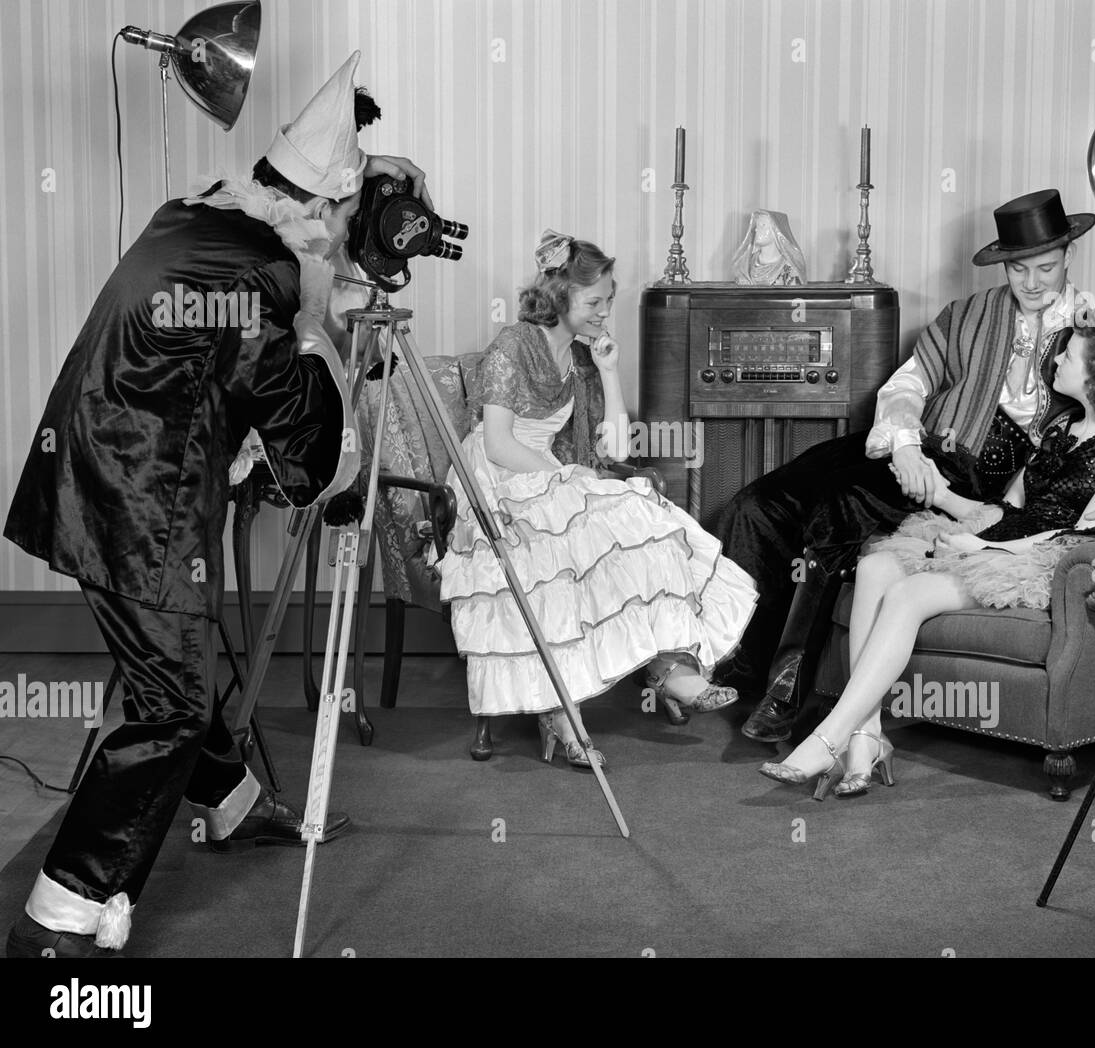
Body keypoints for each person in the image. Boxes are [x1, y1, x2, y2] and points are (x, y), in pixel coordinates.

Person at [3, 50, 429, 957]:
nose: (355, 239)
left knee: (187, 653)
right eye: (354, 219)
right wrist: (322, 341)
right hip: (133, 500)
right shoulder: (264, 279)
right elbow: (303, 452)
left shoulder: (199, 214)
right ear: (320, 209)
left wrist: (313, 308)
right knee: (172, 703)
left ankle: (229, 807)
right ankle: (59, 916)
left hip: (99, 470)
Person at [719, 189, 1095, 743]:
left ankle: (790, 688)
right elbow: (909, 383)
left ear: (1069, 256)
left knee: (838, 515)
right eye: (1019, 269)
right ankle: (732, 666)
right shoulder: (967, 314)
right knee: (760, 502)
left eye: (1046, 267)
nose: (1032, 282)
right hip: (914, 445)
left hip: (981, 475)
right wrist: (904, 444)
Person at [758, 319, 1095, 796]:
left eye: (1072, 354)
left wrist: (986, 548)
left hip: (1041, 559)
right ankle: (867, 737)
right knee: (875, 565)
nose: (1060, 359)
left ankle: (830, 737)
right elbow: (1007, 508)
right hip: (999, 538)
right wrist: (941, 499)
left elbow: (1086, 534)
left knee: (906, 594)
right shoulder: (1061, 427)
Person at [433, 230, 758, 766]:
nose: (605, 312)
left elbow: (612, 447)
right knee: (560, 547)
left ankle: (666, 667)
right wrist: (565, 476)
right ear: (560, 298)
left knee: (638, 513)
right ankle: (570, 711)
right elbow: (496, 442)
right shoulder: (512, 345)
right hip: (493, 480)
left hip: (545, 477)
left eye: (609, 300)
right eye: (595, 302)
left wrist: (609, 371)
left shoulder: (578, 358)